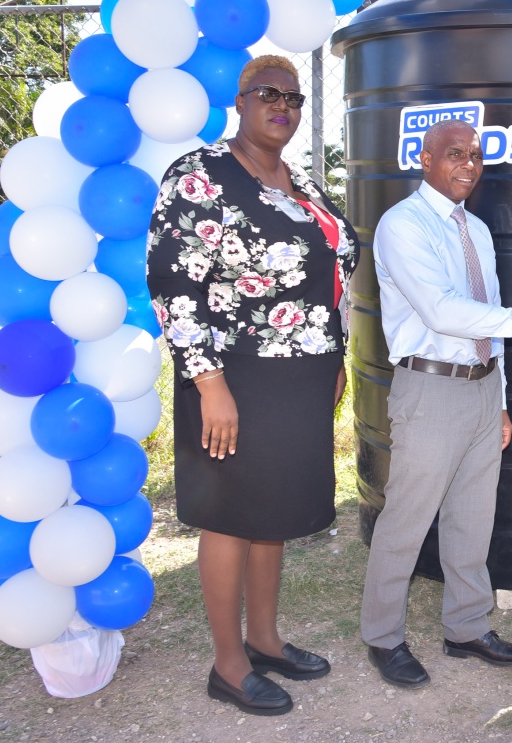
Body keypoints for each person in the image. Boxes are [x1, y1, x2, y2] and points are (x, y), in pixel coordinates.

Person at [147, 55, 359, 717]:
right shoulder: (201, 176)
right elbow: (173, 284)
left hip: (300, 377)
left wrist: (336, 358)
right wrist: (208, 382)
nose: (284, 105)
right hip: (232, 377)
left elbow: (332, 279)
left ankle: (265, 639)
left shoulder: (304, 184)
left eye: (294, 97)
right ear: (239, 101)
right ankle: (229, 663)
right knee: (232, 516)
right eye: (269, 93)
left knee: (273, 513)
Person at [361, 119, 512, 690]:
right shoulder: (402, 225)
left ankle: (467, 627)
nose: (468, 165)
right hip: (430, 388)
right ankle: (382, 636)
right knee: (407, 517)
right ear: (424, 160)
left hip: (481, 387)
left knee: (472, 517)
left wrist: (498, 401)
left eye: (475, 156)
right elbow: (444, 311)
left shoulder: (474, 229)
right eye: (455, 154)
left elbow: (488, 318)